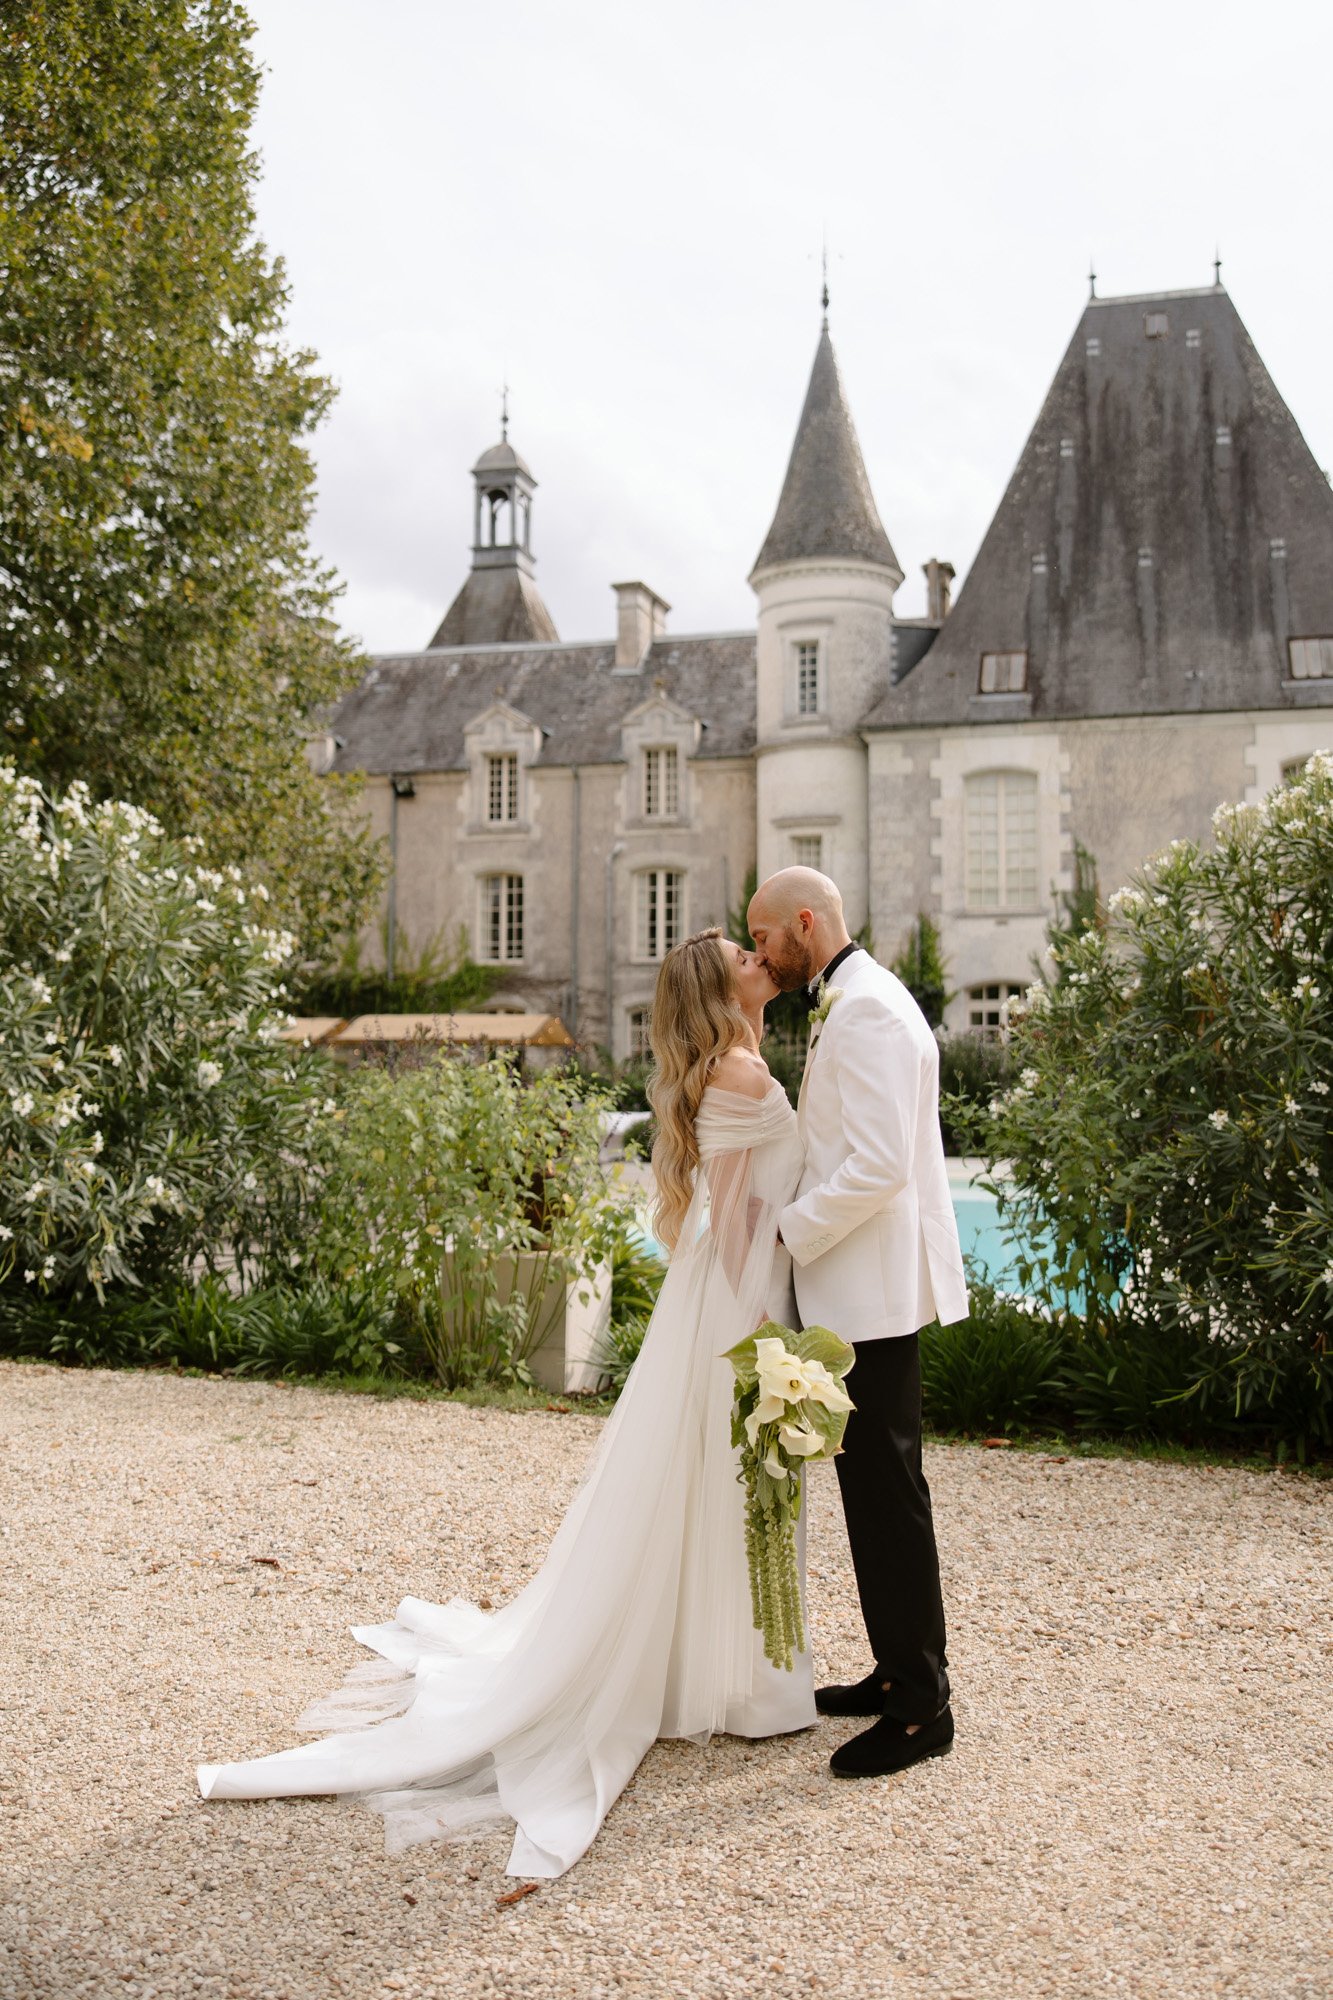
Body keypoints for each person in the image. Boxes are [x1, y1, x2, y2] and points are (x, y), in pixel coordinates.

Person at [197, 928, 816, 1878]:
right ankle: (735, 1684)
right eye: (741, 951)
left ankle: (722, 1677)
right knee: (728, 1480)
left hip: (718, 1297)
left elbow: (733, 1208)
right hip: (732, 1301)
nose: (755, 955)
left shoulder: (737, 1065)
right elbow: (737, 1221)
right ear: (715, 986)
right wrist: (767, 1331)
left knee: (713, 1486)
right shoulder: (737, 1075)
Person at [746, 867, 968, 1779]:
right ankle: (891, 1676)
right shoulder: (858, 998)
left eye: (763, 937)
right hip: (861, 1292)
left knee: (888, 1499)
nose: (758, 953)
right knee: (873, 1495)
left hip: (869, 1295)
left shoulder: (868, 1010)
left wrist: (786, 1232)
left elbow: (876, 1166)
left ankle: (922, 1709)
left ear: (806, 922)